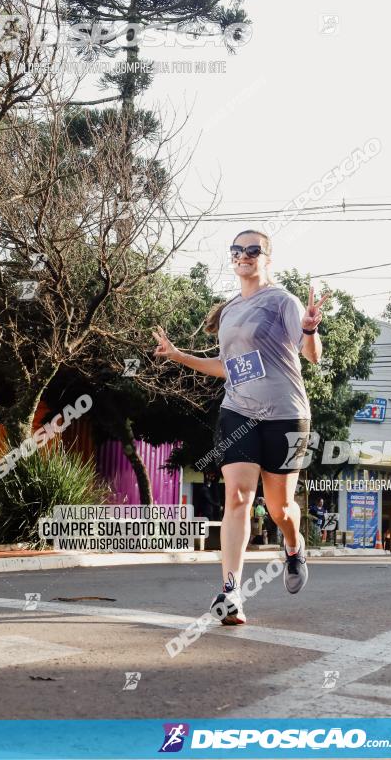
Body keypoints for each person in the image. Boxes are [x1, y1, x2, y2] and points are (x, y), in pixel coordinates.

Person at [153, 229, 330, 625]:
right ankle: (231, 591)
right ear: (231, 258)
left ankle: (293, 543)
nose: (244, 255)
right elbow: (229, 369)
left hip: (286, 413)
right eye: (237, 250)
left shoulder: (282, 301)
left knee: (280, 507)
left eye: (253, 250)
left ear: (267, 258)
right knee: (238, 496)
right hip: (239, 411)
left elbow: (311, 356)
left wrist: (310, 329)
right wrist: (179, 355)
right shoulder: (231, 309)